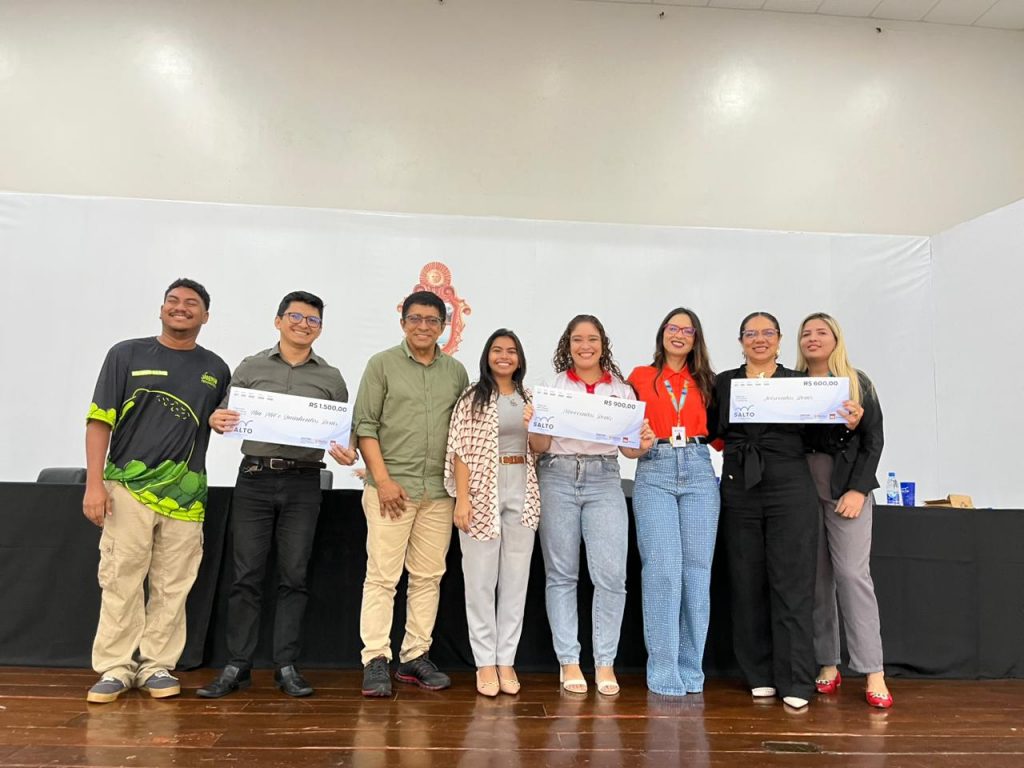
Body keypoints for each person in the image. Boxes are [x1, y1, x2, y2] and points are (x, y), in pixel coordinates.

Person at [197, 291, 357, 699]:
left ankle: (286, 665)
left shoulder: (331, 378)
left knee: (294, 576)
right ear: (279, 321)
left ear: (320, 329)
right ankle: (238, 664)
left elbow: (342, 434)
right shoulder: (250, 367)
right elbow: (224, 415)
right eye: (296, 317)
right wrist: (216, 419)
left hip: (304, 483)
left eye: (312, 320)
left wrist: (346, 450)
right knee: (245, 576)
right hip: (255, 479)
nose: (304, 325)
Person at [82, 278, 230, 703]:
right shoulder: (126, 354)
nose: (181, 307)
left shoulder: (217, 369)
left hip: (186, 497)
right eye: (173, 301)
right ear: (162, 309)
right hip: (127, 489)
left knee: (173, 584)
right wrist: (95, 483)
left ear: (205, 316)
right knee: (121, 579)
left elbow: (220, 419)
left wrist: (220, 420)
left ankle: (156, 665)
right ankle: (114, 667)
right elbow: (99, 420)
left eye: (191, 303)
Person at [531, 314, 655, 696]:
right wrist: (535, 425)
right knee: (561, 574)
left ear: (603, 344)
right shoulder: (551, 387)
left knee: (612, 577)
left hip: (604, 478)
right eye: (577, 339)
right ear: (567, 346)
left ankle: (605, 662)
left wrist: (643, 444)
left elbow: (629, 450)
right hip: (557, 475)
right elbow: (539, 446)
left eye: (592, 339)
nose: (585, 346)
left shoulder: (621, 391)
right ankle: (569, 661)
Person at [354, 290, 469, 697]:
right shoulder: (381, 364)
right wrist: (383, 481)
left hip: (438, 493)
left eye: (432, 320)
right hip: (391, 490)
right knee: (382, 578)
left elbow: (463, 434)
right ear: (403, 323)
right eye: (415, 319)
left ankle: (415, 656)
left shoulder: (456, 372)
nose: (423, 326)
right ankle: (375, 658)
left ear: (443, 326)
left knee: (428, 577)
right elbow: (365, 425)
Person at [707, 311, 819, 710]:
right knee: (746, 579)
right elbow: (712, 431)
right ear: (740, 341)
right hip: (739, 485)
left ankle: (796, 677)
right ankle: (757, 672)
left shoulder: (798, 382)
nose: (759, 339)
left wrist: (846, 418)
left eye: (767, 333)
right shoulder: (724, 382)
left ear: (779, 339)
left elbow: (818, 433)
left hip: (790, 485)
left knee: (792, 582)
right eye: (750, 333)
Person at [795, 312, 892, 709]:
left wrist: (857, 489)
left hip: (846, 487)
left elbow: (874, 440)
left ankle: (873, 670)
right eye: (806, 333)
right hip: (803, 488)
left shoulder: (857, 382)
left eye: (822, 332)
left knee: (852, 576)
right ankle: (827, 663)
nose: (813, 338)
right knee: (817, 580)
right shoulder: (792, 384)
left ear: (836, 339)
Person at [627, 307, 719, 697]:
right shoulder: (639, 377)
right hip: (655, 468)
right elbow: (624, 433)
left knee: (697, 575)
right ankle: (664, 670)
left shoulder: (708, 381)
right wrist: (635, 443)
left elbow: (723, 435)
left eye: (687, 330)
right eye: (672, 327)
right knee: (663, 571)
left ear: (696, 339)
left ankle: (691, 669)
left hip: (698, 468)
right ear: (662, 332)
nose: (679, 334)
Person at [445, 329, 540, 697]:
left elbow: (542, 447)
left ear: (520, 359)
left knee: (516, 581)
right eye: (497, 350)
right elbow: (460, 450)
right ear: (487, 356)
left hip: (522, 484)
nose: (504, 356)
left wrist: (538, 424)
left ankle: (506, 660)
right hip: (482, 487)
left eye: (511, 351)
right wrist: (462, 499)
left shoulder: (530, 398)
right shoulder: (472, 397)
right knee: (480, 581)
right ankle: (484, 662)